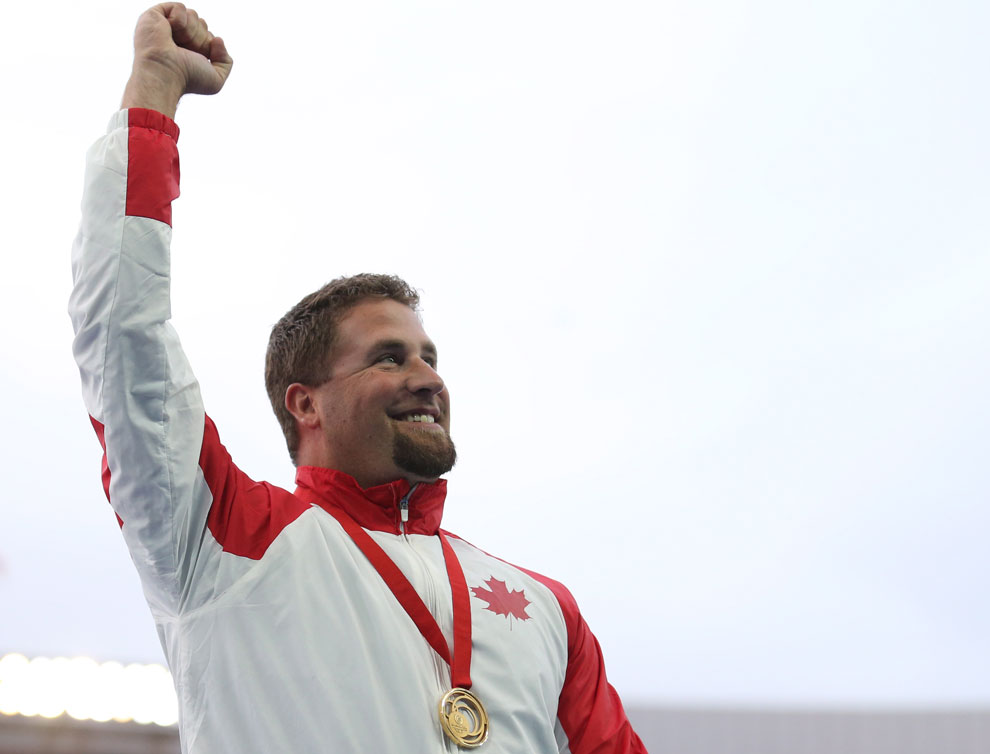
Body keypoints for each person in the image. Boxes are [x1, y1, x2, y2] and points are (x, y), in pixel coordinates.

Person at [68, 4, 648, 752]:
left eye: (430, 357)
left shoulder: (546, 610)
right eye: (389, 357)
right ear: (304, 403)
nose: (425, 378)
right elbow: (123, 340)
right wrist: (153, 90)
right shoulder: (225, 541)